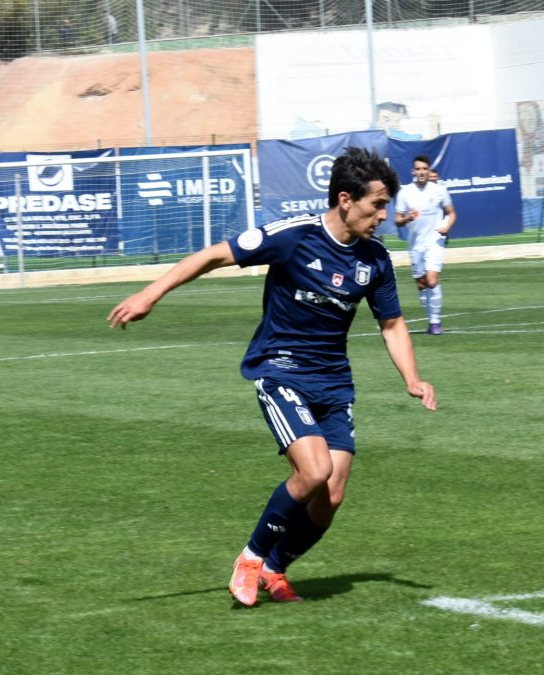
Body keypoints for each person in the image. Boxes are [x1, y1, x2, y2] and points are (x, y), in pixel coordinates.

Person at [107, 147, 437, 606]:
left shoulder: (375, 259)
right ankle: (251, 558)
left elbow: (392, 324)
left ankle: (275, 568)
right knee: (315, 470)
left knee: (331, 495)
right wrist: (149, 295)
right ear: (346, 199)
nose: (384, 215)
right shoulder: (294, 236)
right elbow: (213, 256)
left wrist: (412, 379)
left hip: (333, 382)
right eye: (377, 204)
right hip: (281, 370)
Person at [395, 155, 457, 335]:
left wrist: (447, 226)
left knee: (432, 281)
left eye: (424, 169)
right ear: (413, 171)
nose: (421, 172)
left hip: (435, 242)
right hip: (416, 244)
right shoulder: (405, 192)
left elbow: (452, 213)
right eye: (418, 169)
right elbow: (397, 219)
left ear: (429, 171)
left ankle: (436, 321)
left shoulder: (439, 190)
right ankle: (430, 320)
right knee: (422, 285)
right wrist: (407, 218)